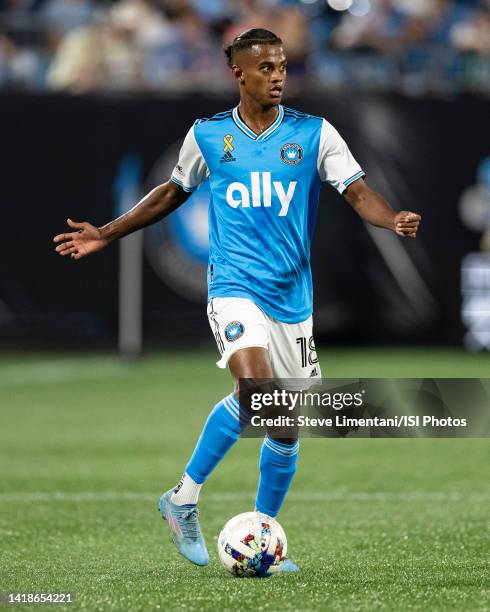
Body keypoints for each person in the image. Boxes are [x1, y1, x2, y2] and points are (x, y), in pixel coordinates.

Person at [53, 28, 421, 572]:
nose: (277, 77)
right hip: (234, 286)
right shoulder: (207, 137)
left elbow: (357, 191)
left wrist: (391, 217)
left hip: (291, 298)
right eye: (266, 68)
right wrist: (106, 233)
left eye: (282, 67)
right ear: (239, 74)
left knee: (284, 419)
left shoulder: (315, 134)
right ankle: (183, 496)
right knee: (255, 390)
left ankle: (264, 535)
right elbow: (171, 192)